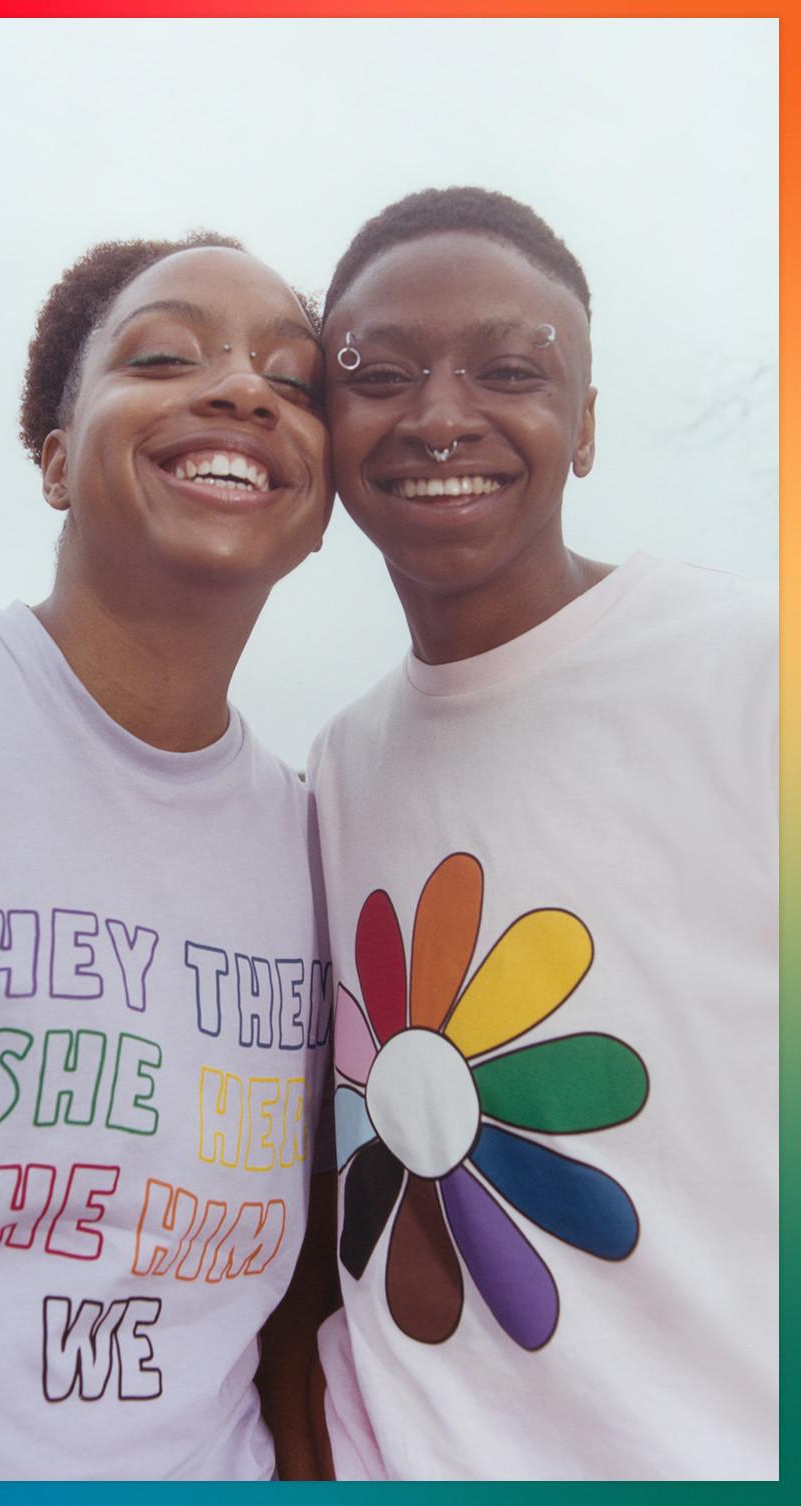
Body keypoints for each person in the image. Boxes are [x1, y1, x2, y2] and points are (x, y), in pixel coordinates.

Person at [0, 233, 337, 1481]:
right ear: (54, 459)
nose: (241, 391)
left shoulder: (321, 842)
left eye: (294, 380)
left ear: (322, 509)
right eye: (164, 356)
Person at [308, 188, 778, 1481]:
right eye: (381, 373)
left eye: (511, 369)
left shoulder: (752, 667)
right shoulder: (336, 768)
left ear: (584, 426)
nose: (441, 414)